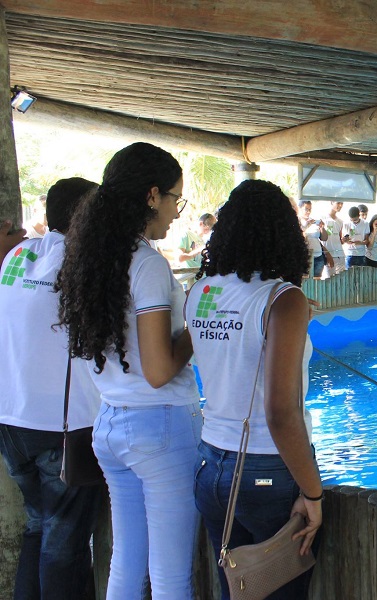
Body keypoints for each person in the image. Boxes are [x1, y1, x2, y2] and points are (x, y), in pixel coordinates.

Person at [55, 142, 202, 599]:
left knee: (125, 560)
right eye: (177, 199)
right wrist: (197, 325)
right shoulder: (148, 265)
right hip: (160, 428)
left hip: (111, 424)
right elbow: (159, 370)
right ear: (152, 195)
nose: (178, 212)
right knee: (171, 575)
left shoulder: (92, 259)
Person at [187, 180, 323, 600]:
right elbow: (281, 413)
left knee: (238, 588)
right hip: (267, 469)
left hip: (211, 465)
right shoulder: (284, 299)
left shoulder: (201, 291)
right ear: (284, 233)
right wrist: (313, 493)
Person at [0, 178, 103, 600]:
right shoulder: (85, 262)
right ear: (86, 215)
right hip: (63, 428)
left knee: (38, 528)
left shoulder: (19, 255)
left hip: (11, 422)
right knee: (64, 546)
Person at [297, 200, 329, 278]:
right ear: (300, 208)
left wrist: (322, 228)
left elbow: (324, 238)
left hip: (318, 256)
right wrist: (306, 225)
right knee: (305, 280)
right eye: (306, 209)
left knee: (317, 280)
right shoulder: (297, 221)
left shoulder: (314, 221)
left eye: (310, 209)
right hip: (305, 257)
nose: (308, 212)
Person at [321, 201, 345, 278]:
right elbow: (320, 239)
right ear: (332, 202)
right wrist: (326, 254)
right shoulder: (322, 218)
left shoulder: (340, 221)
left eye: (342, 203)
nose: (340, 205)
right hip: (329, 255)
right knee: (329, 281)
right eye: (338, 203)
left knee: (341, 281)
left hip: (340, 254)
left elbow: (340, 239)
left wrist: (344, 240)